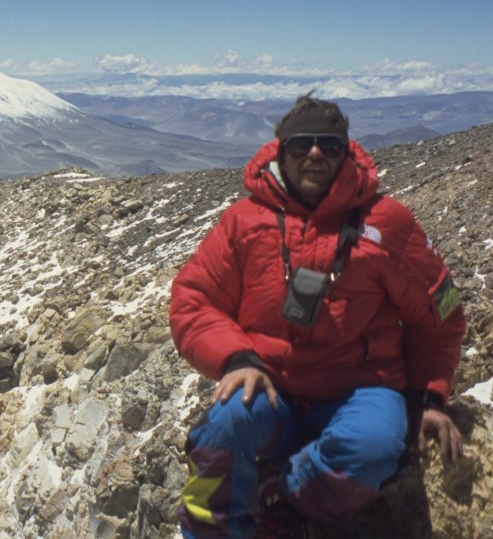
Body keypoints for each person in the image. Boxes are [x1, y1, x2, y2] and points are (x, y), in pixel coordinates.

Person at [169, 94, 466, 538]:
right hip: (272, 387)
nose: (314, 154)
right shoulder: (244, 221)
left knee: (375, 449)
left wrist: (427, 398)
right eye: (300, 144)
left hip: (361, 390)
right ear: (280, 151)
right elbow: (194, 299)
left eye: (328, 146)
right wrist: (236, 359)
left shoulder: (386, 223)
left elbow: (438, 318)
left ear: (345, 154)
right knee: (225, 424)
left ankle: (284, 496)